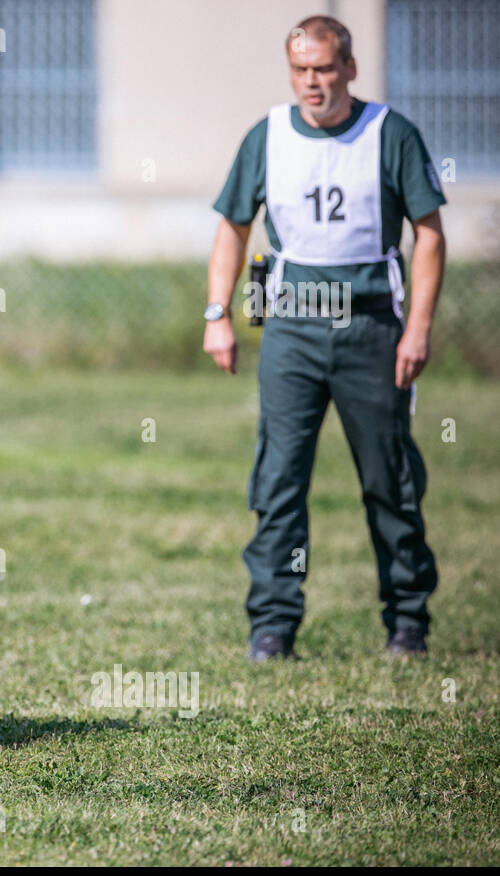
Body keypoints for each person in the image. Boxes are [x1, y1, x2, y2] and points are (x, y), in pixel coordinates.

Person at [203, 15, 446, 660]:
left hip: (371, 328)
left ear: (350, 69)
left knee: (390, 480)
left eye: (325, 68)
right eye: (301, 70)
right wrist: (218, 314)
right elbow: (233, 226)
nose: (313, 82)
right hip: (291, 327)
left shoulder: (389, 134)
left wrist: (416, 328)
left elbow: (430, 233)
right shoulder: (269, 136)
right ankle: (273, 626)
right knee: (279, 479)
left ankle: (408, 621)